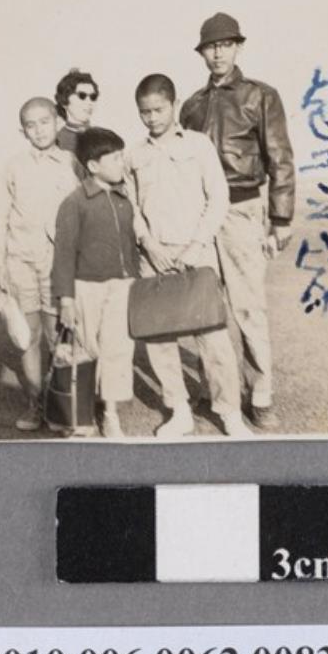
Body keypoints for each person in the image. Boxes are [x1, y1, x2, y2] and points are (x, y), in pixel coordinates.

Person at [180, 12, 295, 429]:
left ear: (238, 48)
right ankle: (217, 391)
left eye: (225, 45)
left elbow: (280, 157)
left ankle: (260, 394)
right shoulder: (191, 106)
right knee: (206, 308)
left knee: (248, 307)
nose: (218, 53)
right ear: (201, 53)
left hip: (242, 210)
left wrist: (280, 217)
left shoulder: (260, 96)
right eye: (211, 46)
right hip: (200, 216)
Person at [126, 73, 251, 440]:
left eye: (159, 110)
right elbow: (131, 207)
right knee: (159, 339)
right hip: (154, 258)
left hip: (197, 254)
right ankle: (179, 411)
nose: (152, 118)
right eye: (144, 112)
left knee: (212, 337)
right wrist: (148, 243)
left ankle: (229, 413)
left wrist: (196, 245)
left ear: (175, 105)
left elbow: (218, 197)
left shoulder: (198, 145)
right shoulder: (134, 154)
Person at [0, 97, 80, 432]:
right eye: (31, 125)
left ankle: (62, 406)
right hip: (21, 262)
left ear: (58, 122)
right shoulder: (13, 166)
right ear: (23, 131)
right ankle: (35, 404)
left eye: (45, 122)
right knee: (27, 337)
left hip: (58, 264)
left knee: (60, 337)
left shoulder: (72, 163)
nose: (39, 130)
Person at [51, 127, 139, 438]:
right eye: (114, 158)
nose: (121, 163)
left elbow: (130, 246)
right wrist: (66, 299)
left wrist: (133, 279)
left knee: (118, 349)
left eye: (121, 156)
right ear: (93, 166)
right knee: (85, 349)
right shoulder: (75, 203)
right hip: (86, 288)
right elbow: (63, 254)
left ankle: (111, 414)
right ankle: (79, 414)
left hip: (121, 287)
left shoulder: (124, 200)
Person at [54, 69, 99, 154]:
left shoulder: (101, 137)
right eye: (82, 96)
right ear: (64, 100)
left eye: (93, 97)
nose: (89, 102)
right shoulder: (56, 140)